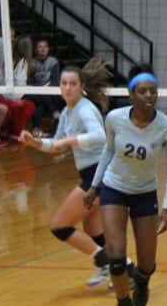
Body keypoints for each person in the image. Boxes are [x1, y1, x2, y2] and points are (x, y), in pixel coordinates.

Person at [84, 64, 167, 306]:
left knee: (147, 264)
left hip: (145, 193)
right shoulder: (115, 119)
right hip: (114, 188)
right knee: (116, 257)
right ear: (131, 95)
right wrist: (94, 186)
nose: (149, 96)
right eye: (142, 91)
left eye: (153, 91)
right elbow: (108, 151)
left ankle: (142, 280)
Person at [18, 58, 112, 287]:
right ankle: (119, 271)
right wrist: (35, 143)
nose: (68, 88)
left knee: (60, 226)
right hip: (93, 175)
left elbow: (100, 136)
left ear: (82, 87)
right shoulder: (67, 112)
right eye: (64, 83)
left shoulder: (84, 109)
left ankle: (116, 265)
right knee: (93, 230)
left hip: (98, 175)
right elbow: (56, 145)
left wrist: (70, 140)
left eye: (73, 84)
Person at [0, 36, 35, 135]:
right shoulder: (18, 62)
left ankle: (13, 131)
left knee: (29, 103)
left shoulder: (6, 60)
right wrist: (15, 98)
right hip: (1, 94)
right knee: (27, 106)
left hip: (5, 93)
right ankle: (15, 132)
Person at [27, 38, 62, 135]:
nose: (43, 49)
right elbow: (30, 81)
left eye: (45, 47)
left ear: (48, 49)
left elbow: (55, 80)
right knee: (41, 95)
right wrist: (40, 87)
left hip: (50, 90)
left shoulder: (53, 61)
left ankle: (36, 128)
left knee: (42, 104)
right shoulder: (31, 62)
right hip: (37, 91)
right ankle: (54, 112)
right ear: (35, 49)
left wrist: (46, 88)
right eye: (40, 47)